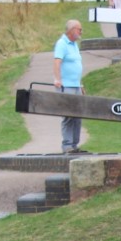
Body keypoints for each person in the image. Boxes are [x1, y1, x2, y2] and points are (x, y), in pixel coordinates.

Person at [53, 20, 86, 154]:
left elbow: (76, 66)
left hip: (76, 85)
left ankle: (74, 144)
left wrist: (80, 84)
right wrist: (57, 79)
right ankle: (67, 145)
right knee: (68, 115)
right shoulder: (62, 43)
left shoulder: (74, 45)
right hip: (66, 86)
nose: (81, 32)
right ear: (72, 30)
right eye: (79, 29)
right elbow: (57, 62)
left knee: (78, 115)